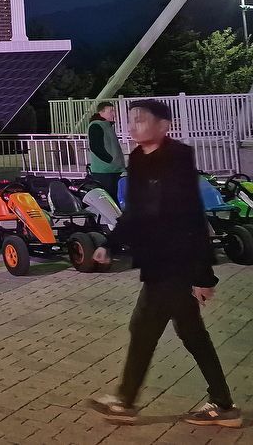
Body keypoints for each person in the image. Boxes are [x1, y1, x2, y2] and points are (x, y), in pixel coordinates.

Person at [89, 99, 240, 428]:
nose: (133, 126)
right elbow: (135, 211)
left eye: (141, 120)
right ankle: (223, 404)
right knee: (191, 333)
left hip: (176, 263)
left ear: (163, 125)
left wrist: (203, 276)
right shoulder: (138, 159)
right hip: (157, 262)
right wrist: (109, 244)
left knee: (144, 328)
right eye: (131, 120)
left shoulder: (177, 157)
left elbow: (191, 216)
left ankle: (125, 402)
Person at [86, 101, 125, 200]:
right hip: (104, 171)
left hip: (113, 169)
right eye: (110, 111)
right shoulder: (96, 125)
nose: (113, 114)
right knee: (109, 200)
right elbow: (95, 147)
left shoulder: (107, 125)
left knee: (114, 198)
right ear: (101, 112)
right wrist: (110, 160)